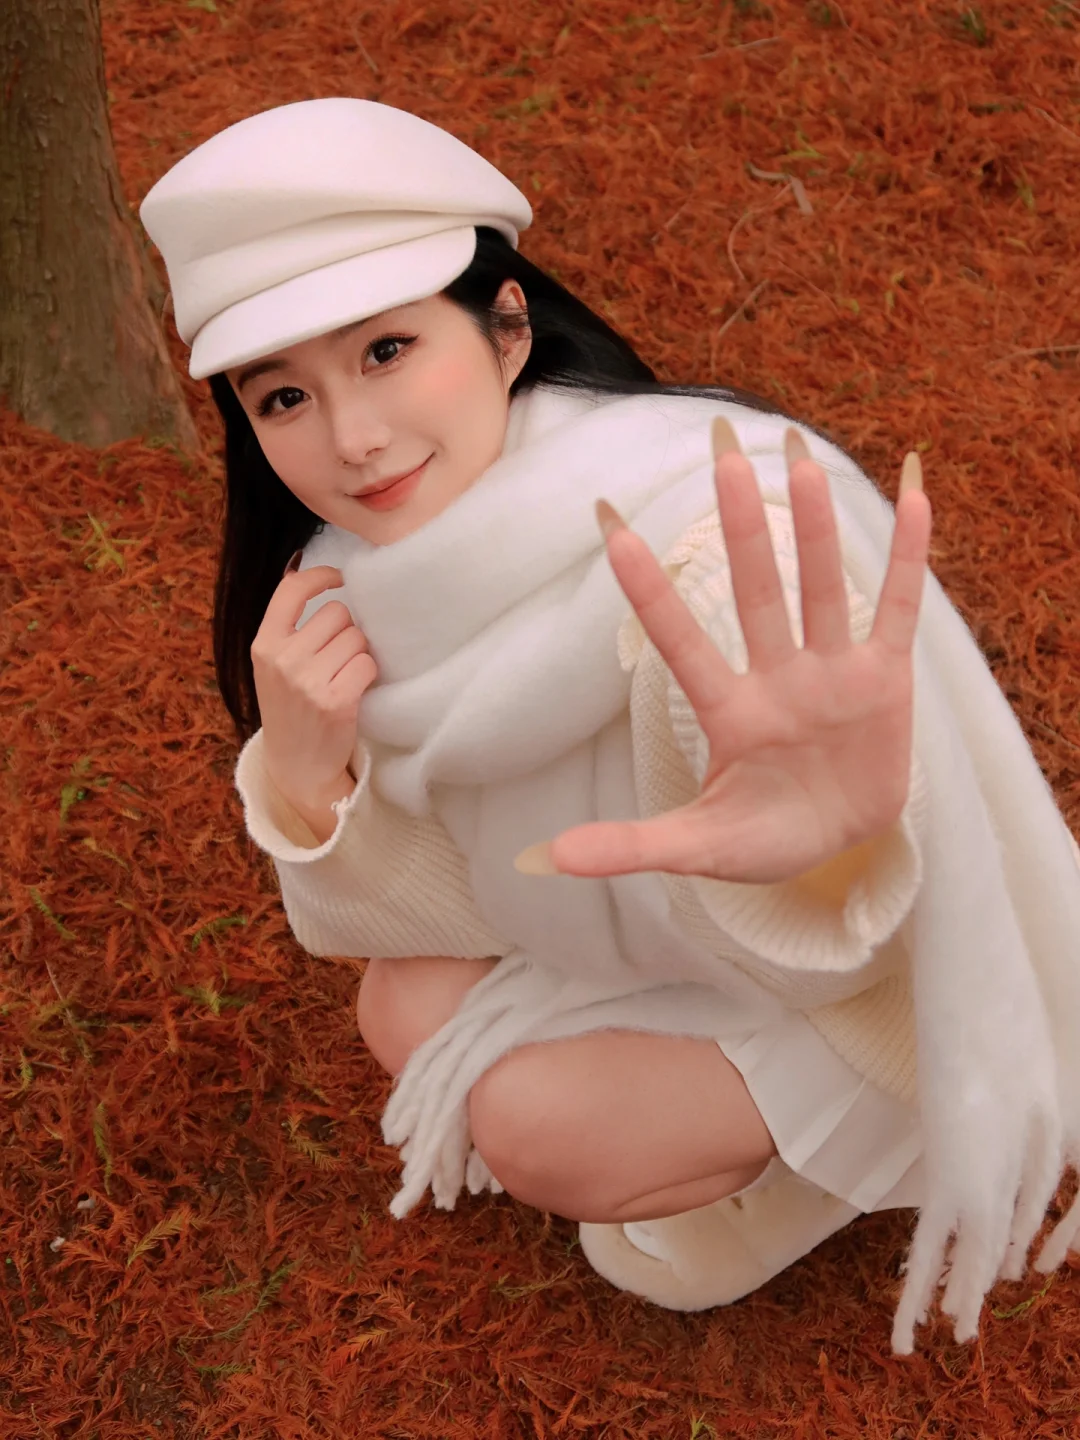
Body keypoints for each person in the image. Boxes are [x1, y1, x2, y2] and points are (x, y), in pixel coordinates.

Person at [140, 97, 1080, 1354]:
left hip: (862, 983)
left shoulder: (703, 538)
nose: (353, 441)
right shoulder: (359, 584)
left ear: (507, 326)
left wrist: (826, 857)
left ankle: (848, 1153)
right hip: (664, 940)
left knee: (542, 1128)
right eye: (283, 398)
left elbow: (875, 941)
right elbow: (448, 912)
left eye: (385, 350)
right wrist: (309, 782)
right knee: (403, 1009)